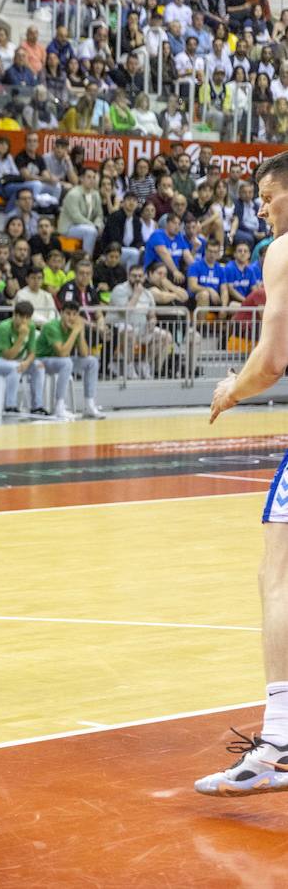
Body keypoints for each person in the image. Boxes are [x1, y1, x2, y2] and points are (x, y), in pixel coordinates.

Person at [201, 149, 288, 795]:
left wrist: (233, 387)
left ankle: (280, 740)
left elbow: (272, 358)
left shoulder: (283, 251)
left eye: (268, 194)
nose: (260, 207)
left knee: (277, 576)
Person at [33, 300, 104, 420]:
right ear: (61, 314)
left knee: (91, 361)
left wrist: (80, 332)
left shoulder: (75, 327)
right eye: (67, 313)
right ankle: (59, 407)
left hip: (60, 362)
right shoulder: (52, 326)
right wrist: (75, 332)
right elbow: (62, 353)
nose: (71, 317)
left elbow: (84, 354)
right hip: (41, 361)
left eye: (74, 314)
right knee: (66, 362)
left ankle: (89, 405)